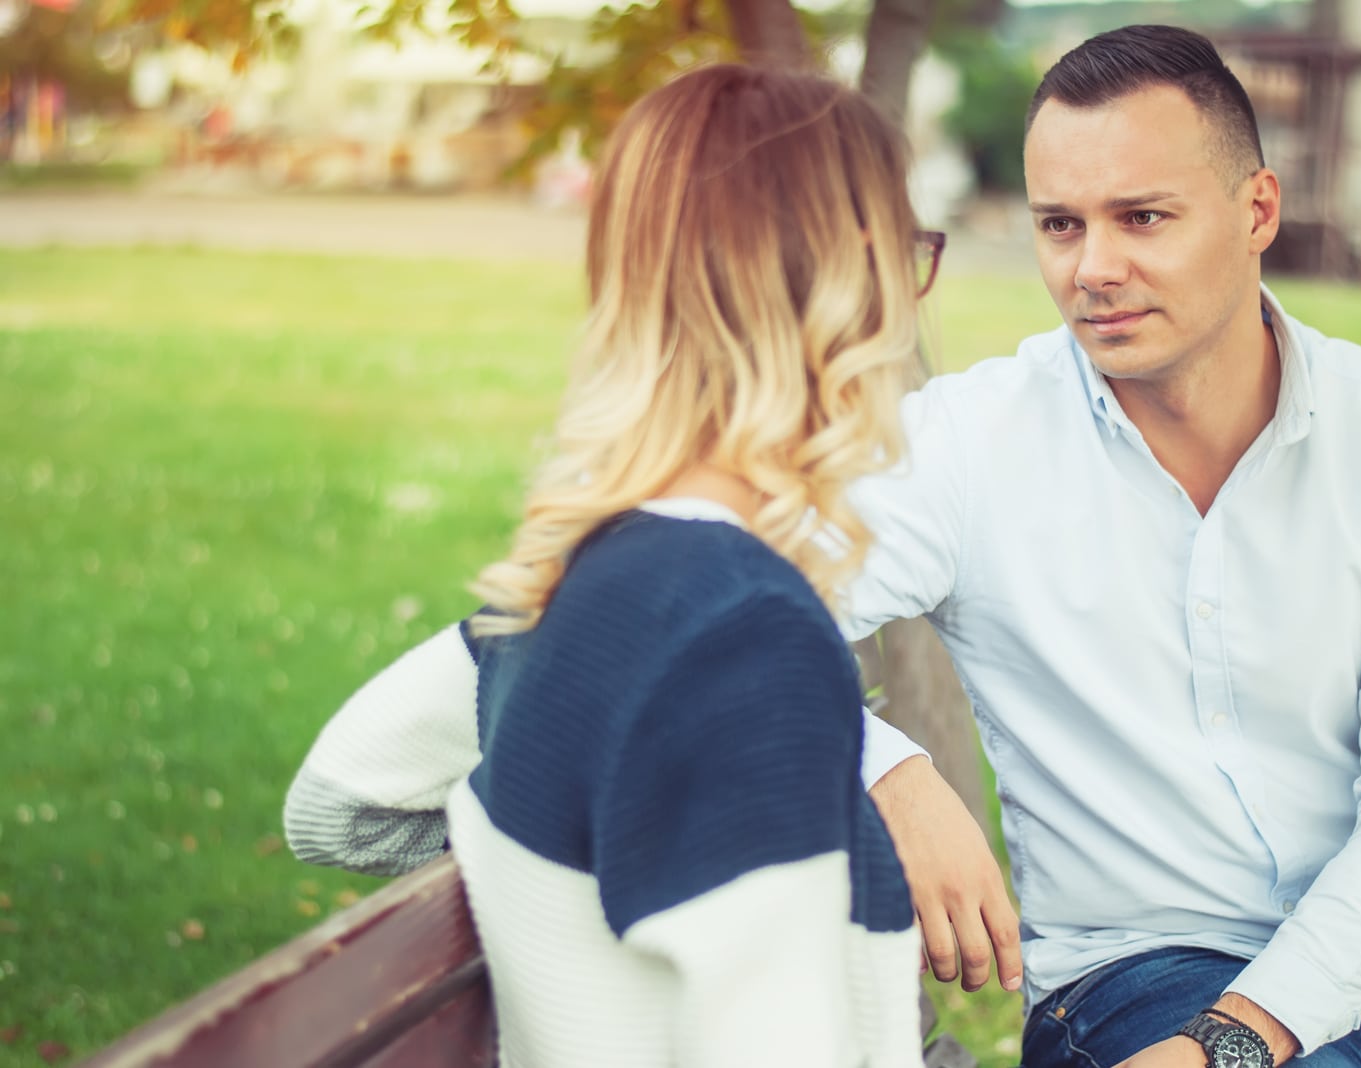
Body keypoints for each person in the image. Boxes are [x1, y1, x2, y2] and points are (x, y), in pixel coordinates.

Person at [290, 24, 1361, 1068]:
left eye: (1142, 219)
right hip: (1133, 980)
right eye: (1056, 225)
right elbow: (739, 609)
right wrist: (887, 761)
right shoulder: (967, 443)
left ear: (1257, 210)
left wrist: (1248, 1037)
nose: (1092, 269)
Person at [284, 63, 940, 1068]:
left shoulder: (562, 590)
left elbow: (336, 804)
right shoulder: (745, 635)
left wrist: (575, 894)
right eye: (913, 255)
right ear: (856, 274)